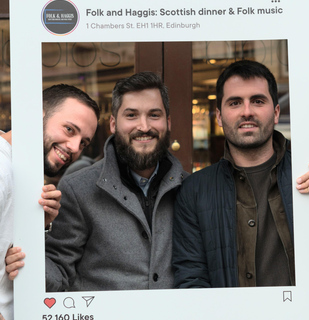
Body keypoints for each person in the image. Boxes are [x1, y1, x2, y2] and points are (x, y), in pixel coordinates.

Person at [172, 60, 309, 319]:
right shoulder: (194, 190)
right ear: (218, 116)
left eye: (258, 101)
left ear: (275, 113)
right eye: (235, 102)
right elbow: (191, 279)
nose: (247, 111)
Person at [6, 72, 187, 291]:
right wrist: (29, 262)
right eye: (131, 115)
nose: (143, 126)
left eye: (154, 115)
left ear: (168, 122)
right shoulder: (76, 189)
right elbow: (59, 271)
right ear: (113, 124)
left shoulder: (191, 189)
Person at [1, 84, 99, 320]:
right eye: (69, 129)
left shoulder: (23, 173)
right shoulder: (2, 167)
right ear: (37, 113)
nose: (75, 148)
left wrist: (38, 226)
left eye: (84, 142)